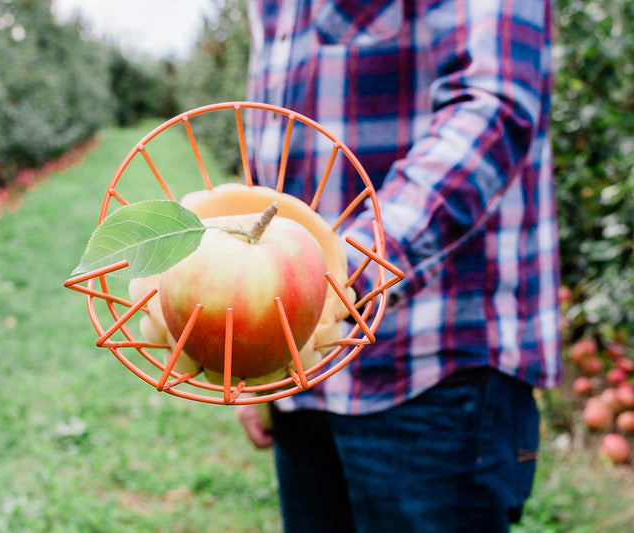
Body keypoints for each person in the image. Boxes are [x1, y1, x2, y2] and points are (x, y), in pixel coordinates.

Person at [235, 0, 563, 531]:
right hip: (304, 364)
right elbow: (277, 148)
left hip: (435, 369)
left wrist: (345, 275)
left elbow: (491, 105)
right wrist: (256, 359)